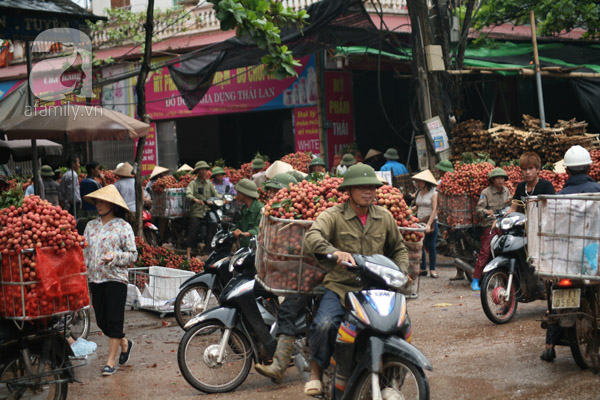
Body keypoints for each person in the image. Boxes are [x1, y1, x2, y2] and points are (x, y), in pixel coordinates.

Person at [302, 163, 409, 396]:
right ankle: (316, 373)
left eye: (371, 187)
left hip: (377, 290)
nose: (368, 191)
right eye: (361, 187)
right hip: (341, 289)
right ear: (348, 191)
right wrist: (333, 251)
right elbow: (311, 237)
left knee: (401, 326)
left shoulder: (384, 217)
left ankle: (392, 378)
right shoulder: (333, 216)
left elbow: (399, 248)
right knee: (325, 324)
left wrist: (400, 272)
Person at [541, 145, 600, 362]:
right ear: (587, 168)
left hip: (566, 259)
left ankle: (549, 345)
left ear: (567, 171)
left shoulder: (559, 197)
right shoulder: (597, 192)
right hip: (592, 256)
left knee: (557, 291)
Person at [82, 185, 137, 376]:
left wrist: (115, 257)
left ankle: (110, 362)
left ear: (112, 205)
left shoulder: (123, 226)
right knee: (102, 322)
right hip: (95, 279)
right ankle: (124, 342)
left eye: (102, 201)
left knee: (114, 320)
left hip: (116, 278)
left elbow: (133, 255)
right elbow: (85, 251)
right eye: (97, 201)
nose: (98, 205)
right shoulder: (91, 226)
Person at [471, 168, 512, 291]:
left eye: (502, 178)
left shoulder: (506, 191)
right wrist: (486, 212)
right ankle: (475, 280)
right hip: (490, 225)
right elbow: (479, 210)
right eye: (498, 178)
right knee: (485, 251)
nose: (500, 180)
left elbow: (511, 205)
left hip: (505, 224)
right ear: (492, 180)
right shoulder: (486, 192)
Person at [185, 161, 218, 259]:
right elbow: (188, 194)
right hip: (197, 211)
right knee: (193, 231)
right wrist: (195, 199)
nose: (204, 172)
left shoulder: (209, 184)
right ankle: (188, 253)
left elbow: (215, 194)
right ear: (197, 172)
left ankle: (208, 251)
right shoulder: (193, 184)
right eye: (201, 170)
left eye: (205, 169)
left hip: (208, 211)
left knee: (213, 227)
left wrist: (224, 198)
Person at [412, 169, 439, 278]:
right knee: (420, 245)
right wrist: (408, 210)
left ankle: (432, 269)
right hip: (420, 221)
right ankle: (423, 268)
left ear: (426, 182)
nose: (418, 183)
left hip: (431, 221)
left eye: (420, 181)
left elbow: (435, 209)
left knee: (431, 245)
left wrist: (429, 224)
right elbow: (417, 207)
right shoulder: (418, 192)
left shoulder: (434, 193)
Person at [232, 178, 263, 248]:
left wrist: (245, 234)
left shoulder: (260, 209)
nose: (237, 195)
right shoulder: (244, 208)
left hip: (255, 249)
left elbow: (260, 229)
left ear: (244, 194)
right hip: (244, 247)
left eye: (238, 192)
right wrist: (231, 231)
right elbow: (239, 225)